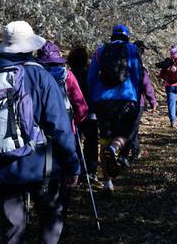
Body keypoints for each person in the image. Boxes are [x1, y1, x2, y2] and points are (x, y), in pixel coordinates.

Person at [0, 21, 80, 243]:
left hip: (2, 165)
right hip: (41, 164)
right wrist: (72, 164)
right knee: (50, 215)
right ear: (31, 47)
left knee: (12, 228)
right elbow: (59, 126)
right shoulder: (40, 76)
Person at [37, 41, 88, 221]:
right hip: (66, 132)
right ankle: (60, 215)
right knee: (67, 175)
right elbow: (81, 107)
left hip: (39, 136)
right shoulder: (67, 76)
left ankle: (45, 213)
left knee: (46, 175)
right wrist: (75, 123)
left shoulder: (36, 76)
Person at [88, 24, 142, 192]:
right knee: (126, 134)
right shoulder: (133, 50)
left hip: (102, 101)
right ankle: (115, 148)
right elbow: (138, 75)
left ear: (112, 36)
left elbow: (91, 77)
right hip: (126, 99)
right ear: (127, 36)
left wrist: (93, 98)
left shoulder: (100, 50)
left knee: (104, 139)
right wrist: (137, 96)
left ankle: (107, 182)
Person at [118, 40, 157, 167]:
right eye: (143, 49)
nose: (144, 52)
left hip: (118, 100)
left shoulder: (120, 64)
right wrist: (152, 101)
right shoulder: (139, 65)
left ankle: (135, 151)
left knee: (128, 128)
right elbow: (146, 85)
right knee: (132, 128)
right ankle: (124, 156)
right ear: (139, 49)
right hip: (136, 102)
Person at [67, 46, 99, 182]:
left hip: (74, 113)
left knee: (76, 142)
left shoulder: (69, 74)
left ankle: (78, 170)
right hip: (91, 112)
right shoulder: (90, 73)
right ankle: (90, 171)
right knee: (91, 142)